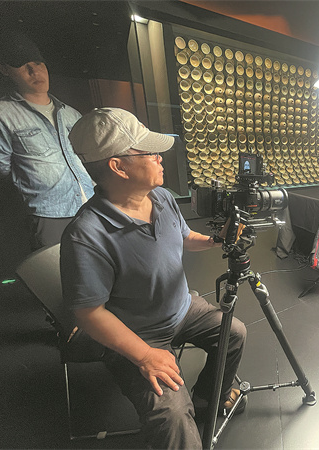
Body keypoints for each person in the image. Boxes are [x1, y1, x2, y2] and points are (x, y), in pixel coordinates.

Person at [60, 107, 247, 449]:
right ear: (118, 167)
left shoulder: (161, 196)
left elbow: (184, 236)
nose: (160, 158)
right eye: (149, 152)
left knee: (234, 332)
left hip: (182, 309)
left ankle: (210, 396)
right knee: (172, 417)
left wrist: (214, 240)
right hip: (138, 334)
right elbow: (88, 313)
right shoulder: (86, 235)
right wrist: (145, 355)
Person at [0, 31, 94, 250]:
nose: (34, 71)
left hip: (91, 205)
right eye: (22, 65)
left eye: (37, 63)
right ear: (4, 69)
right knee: (56, 269)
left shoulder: (71, 113)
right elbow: (0, 169)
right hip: (48, 214)